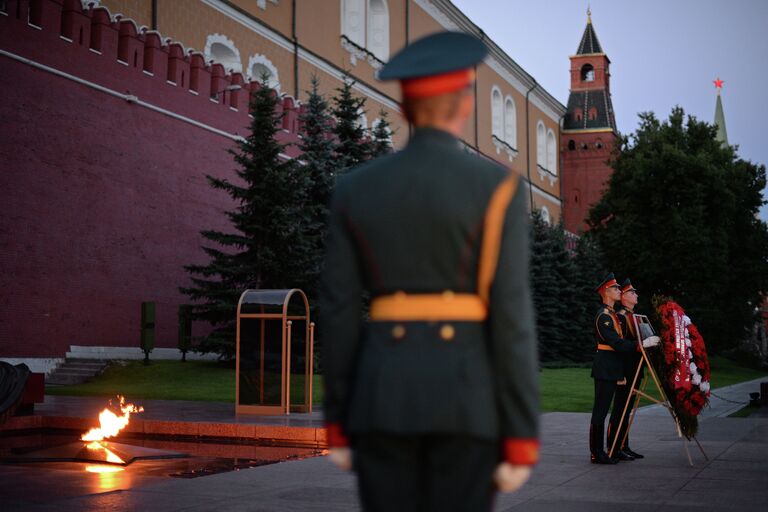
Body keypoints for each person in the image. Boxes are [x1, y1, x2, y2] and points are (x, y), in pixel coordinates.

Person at [320, 31, 539, 512]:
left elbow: (336, 313)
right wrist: (521, 432)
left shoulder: (355, 189)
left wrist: (336, 419)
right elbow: (512, 317)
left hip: (381, 400)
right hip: (466, 401)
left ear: (404, 110)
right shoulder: (498, 187)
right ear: (466, 103)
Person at [590, 273, 659, 464]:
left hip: (614, 367)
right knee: (601, 412)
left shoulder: (611, 314)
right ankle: (597, 452)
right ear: (606, 292)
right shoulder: (603, 316)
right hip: (605, 367)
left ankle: (614, 448)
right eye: (615, 289)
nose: (619, 292)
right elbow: (615, 342)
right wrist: (639, 346)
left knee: (614, 410)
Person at [608, 278, 646, 460]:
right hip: (625, 370)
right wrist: (620, 373)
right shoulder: (621, 317)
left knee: (627, 409)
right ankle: (614, 447)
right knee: (620, 409)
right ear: (623, 297)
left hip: (636, 369)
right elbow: (620, 346)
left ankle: (624, 445)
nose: (636, 295)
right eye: (632, 292)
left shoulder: (635, 316)